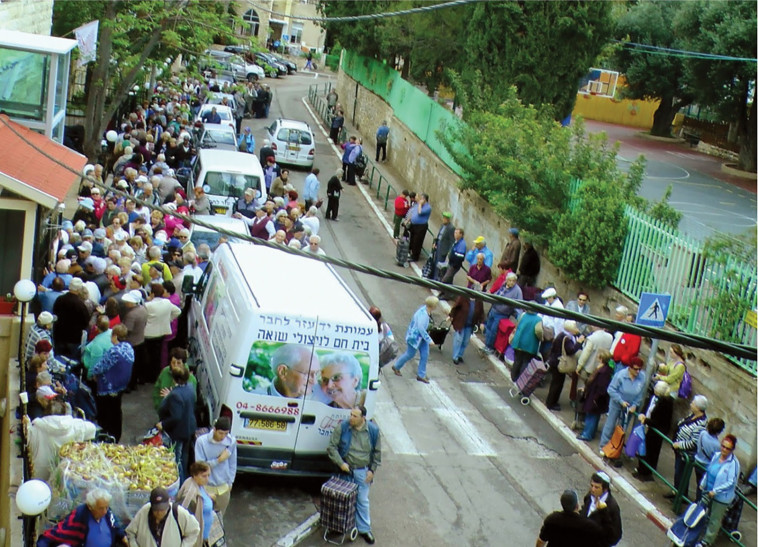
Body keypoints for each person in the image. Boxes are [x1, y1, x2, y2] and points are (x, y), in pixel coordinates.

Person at [327, 405, 381, 545]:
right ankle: (340, 527)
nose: (351, 418)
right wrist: (341, 464)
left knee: (362, 500)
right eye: (350, 414)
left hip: (362, 471)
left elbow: (376, 453)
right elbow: (331, 447)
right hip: (346, 469)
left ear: (363, 418)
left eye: (355, 416)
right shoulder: (343, 427)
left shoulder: (373, 431)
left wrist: (372, 470)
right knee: (342, 501)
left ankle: (364, 529)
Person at [27, 398, 97, 482]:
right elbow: (93, 428)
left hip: (41, 479)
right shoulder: (75, 426)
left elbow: (27, 440)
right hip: (67, 477)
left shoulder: (36, 428)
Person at [37, 488, 127, 547]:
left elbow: (115, 526)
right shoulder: (80, 516)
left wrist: (124, 538)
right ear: (90, 507)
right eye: (100, 508)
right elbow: (55, 534)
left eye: (106, 507)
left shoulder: (107, 513)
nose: (105, 511)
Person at [90, 324, 134, 442]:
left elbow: (99, 367)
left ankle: (106, 436)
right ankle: (116, 435)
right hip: (121, 386)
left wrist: (92, 373)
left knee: (106, 414)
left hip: (108, 388)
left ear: (115, 336)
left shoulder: (114, 351)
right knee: (116, 412)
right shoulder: (128, 348)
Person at [696, 434, 740, 547]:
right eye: (723, 446)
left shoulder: (733, 464)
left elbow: (731, 482)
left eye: (727, 448)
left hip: (720, 497)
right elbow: (709, 470)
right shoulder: (716, 455)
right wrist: (703, 483)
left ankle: (707, 541)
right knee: (703, 513)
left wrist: (716, 491)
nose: (724, 450)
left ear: (732, 449)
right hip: (708, 491)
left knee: (714, 520)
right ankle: (699, 535)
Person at [599, 356, 647, 456]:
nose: (638, 371)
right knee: (611, 423)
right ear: (630, 367)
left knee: (622, 427)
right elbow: (611, 389)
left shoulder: (642, 377)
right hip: (617, 402)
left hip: (630, 407)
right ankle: (603, 446)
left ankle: (617, 447)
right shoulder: (620, 375)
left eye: (639, 369)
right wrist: (621, 401)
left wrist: (635, 405)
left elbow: (640, 394)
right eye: (635, 369)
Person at [157, 366, 197, 482]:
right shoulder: (190, 388)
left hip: (178, 432)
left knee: (177, 460)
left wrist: (163, 424)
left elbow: (176, 416)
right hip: (189, 428)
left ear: (175, 379)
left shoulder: (175, 395)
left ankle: (180, 485)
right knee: (184, 457)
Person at [665, 395, 708, 499]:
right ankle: (677, 491)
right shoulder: (692, 415)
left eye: (693, 403)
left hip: (686, 453)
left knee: (681, 474)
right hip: (679, 450)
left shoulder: (701, 423)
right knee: (678, 472)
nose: (691, 404)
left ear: (698, 407)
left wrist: (679, 445)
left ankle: (680, 496)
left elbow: (694, 442)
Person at [126, 486, 200, 546]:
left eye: (162, 509)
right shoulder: (144, 511)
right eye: (156, 510)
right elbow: (130, 533)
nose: (159, 513)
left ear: (168, 503)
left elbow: (194, 530)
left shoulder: (178, 512)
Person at [195, 417, 237, 517]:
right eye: (220, 433)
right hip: (206, 487)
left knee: (219, 520)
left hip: (223, 488)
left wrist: (230, 482)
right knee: (203, 518)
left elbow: (232, 463)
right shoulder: (201, 442)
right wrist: (219, 460)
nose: (223, 437)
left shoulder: (231, 442)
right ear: (214, 430)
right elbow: (200, 467)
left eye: (226, 434)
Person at [391, 296, 438, 383]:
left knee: (425, 355)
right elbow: (421, 329)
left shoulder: (424, 310)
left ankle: (421, 375)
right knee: (410, 354)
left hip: (421, 338)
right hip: (415, 338)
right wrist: (429, 340)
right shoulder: (424, 315)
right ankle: (396, 366)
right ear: (433, 305)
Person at [634, 381, 674, 482]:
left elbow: (660, 420)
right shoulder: (653, 396)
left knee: (651, 451)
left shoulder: (666, 403)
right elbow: (647, 405)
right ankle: (641, 469)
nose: (654, 390)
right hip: (647, 425)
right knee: (643, 447)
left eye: (656, 389)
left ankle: (646, 472)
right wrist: (642, 414)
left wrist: (646, 420)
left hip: (656, 430)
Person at [536, 489, 604, 547]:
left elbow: (541, 541)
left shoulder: (552, 519)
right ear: (577, 506)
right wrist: (601, 511)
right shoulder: (588, 525)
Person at [544, 320, 585, 411]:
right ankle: (551, 403)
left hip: (555, 362)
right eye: (575, 327)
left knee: (556, 383)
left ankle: (552, 401)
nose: (576, 329)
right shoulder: (566, 338)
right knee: (557, 384)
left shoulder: (562, 335)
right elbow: (571, 350)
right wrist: (579, 342)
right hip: (559, 363)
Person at [576, 350, 614, 442]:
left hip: (595, 397)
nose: (597, 358)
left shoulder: (603, 371)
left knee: (591, 415)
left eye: (598, 356)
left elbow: (601, 386)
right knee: (593, 415)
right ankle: (589, 433)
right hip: (594, 395)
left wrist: (595, 398)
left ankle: (587, 434)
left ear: (601, 359)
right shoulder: (605, 369)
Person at [176, 462, 215, 547]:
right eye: (204, 476)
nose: (207, 479)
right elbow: (182, 515)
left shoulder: (200, 485)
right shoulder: (190, 493)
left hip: (206, 536)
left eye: (208, 475)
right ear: (195, 475)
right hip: (197, 540)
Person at [482, 272, 522, 353]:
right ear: (506, 280)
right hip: (493, 309)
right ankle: (486, 345)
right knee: (489, 327)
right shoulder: (504, 285)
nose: (511, 282)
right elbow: (498, 293)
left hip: (502, 314)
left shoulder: (517, 291)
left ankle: (490, 348)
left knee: (494, 330)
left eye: (513, 281)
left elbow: (519, 306)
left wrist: (519, 317)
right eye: (510, 280)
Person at [580, 472, 622, 547]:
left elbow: (615, 536)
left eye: (597, 487)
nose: (593, 489)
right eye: (592, 486)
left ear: (605, 489)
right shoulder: (589, 497)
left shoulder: (612, 507)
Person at [153, 347, 198, 411]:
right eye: (173, 362)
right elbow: (156, 390)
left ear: (183, 364)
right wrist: (159, 407)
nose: (175, 366)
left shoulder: (191, 379)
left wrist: (170, 397)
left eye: (179, 363)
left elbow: (190, 401)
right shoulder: (165, 372)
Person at [694, 417, 726, 499]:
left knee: (699, 484)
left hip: (697, 461)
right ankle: (699, 503)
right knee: (704, 487)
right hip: (707, 467)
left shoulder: (702, 433)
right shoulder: (717, 445)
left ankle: (697, 501)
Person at [509, 308, 543, 383]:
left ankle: (513, 377)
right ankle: (521, 380)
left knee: (517, 360)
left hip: (518, 341)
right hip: (529, 345)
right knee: (525, 362)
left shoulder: (522, 315)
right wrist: (541, 338)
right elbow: (539, 331)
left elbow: (517, 324)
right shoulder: (538, 319)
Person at [449, 295, 484, 365]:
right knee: (458, 340)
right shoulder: (463, 297)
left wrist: (482, 322)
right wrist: (451, 315)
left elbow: (481, 313)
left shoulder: (479, 301)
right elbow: (455, 307)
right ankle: (455, 357)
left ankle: (459, 355)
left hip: (469, 325)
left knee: (465, 341)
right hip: (460, 323)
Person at [431, 212, 455, 280]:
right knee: (435, 261)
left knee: (439, 263)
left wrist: (449, 251)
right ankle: (433, 276)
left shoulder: (451, 228)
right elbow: (439, 235)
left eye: (444, 218)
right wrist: (435, 243)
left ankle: (436, 278)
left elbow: (451, 241)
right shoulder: (442, 225)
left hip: (443, 248)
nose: (443, 219)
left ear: (448, 219)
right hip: (438, 244)